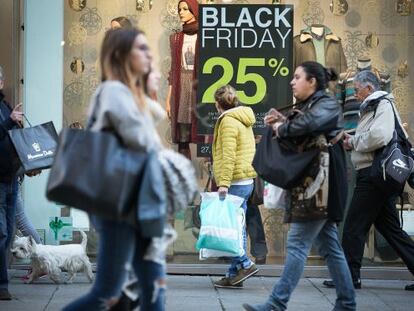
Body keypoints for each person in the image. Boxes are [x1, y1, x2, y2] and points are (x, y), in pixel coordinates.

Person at [62, 27, 166, 311]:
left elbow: (154, 118)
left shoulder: (125, 93)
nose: (149, 54)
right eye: (141, 48)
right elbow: (144, 140)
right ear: (122, 55)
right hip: (120, 202)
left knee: (151, 288)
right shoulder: (113, 91)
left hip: (133, 200)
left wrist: (148, 90)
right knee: (108, 292)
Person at [243, 61, 356, 311]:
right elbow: (306, 128)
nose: (292, 82)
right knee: (331, 249)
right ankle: (347, 303)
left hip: (318, 187)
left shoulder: (325, 103)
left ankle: (275, 304)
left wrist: (281, 126)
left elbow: (307, 126)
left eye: (297, 77)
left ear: (312, 81)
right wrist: (284, 121)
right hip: (316, 184)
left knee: (297, 245)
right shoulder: (314, 104)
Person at [323, 70, 414, 291]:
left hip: (373, 176)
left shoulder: (381, 105)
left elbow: (379, 136)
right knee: (391, 230)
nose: (355, 94)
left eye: (357, 90)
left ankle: (349, 278)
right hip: (376, 176)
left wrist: (354, 143)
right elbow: (373, 136)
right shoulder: (375, 106)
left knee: (354, 227)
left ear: (370, 88)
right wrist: (353, 139)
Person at [211, 84, 259, 289]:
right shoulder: (242, 117)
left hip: (235, 181)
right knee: (237, 226)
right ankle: (233, 275)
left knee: (231, 228)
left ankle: (246, 264)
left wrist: (223, 183)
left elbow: (229, 154)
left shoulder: (229, 121)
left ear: (217, 104)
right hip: (245, 180)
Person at [166, 0, 199, 159]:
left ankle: (216, 181)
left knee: (210, 134)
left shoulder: (207, 35)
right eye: (179, 9)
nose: (181, 12)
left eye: (185, 9)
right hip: (182, 87)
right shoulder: (176, 38)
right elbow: (173, 70)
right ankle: (185, 180)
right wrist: (169, 99)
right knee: (183, 138)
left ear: (194, 11)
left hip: (200, 86)